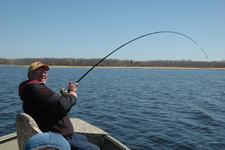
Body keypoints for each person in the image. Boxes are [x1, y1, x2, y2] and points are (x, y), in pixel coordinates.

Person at [19, 62, 100, 150]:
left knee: (83, 138)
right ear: (29, 75)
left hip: (59, 132)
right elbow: (62, 104)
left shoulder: (34, 89)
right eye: (39, 71)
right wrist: (72, 94)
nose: (43, 74)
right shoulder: (36, 89)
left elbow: (59, 108)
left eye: (45, 72)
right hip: (55, 136)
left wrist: (69, 94)